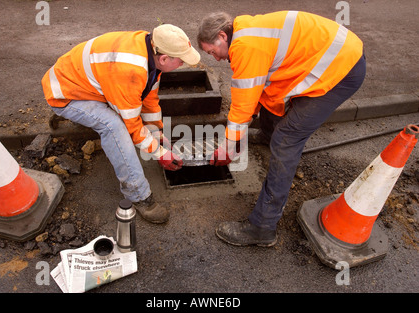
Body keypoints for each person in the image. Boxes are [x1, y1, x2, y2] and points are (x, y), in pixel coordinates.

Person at [197, 11, 366, 246]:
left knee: (286, 139)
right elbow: (257, 89)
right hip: (335, 52)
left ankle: (263, 227)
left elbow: (243, 102)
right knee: (268, 92)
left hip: (340, 68)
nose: (215, 58)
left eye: (212, 52)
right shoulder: (247, 33)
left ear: (223, 36)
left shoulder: (246, 47)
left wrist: (228, 146)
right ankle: (268, 136)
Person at [42, 24, 200, 224]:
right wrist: (159, 153)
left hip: (81, 81)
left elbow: (148, 97)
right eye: (181, 61)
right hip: (66, 94)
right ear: (164, 58)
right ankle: (139, 195)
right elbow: (131, 126)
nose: (182, 64)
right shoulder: (131, 71)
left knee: (123, 112)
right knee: (113, 126)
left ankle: (85, 111)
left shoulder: (149, 49)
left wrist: (157, 133)